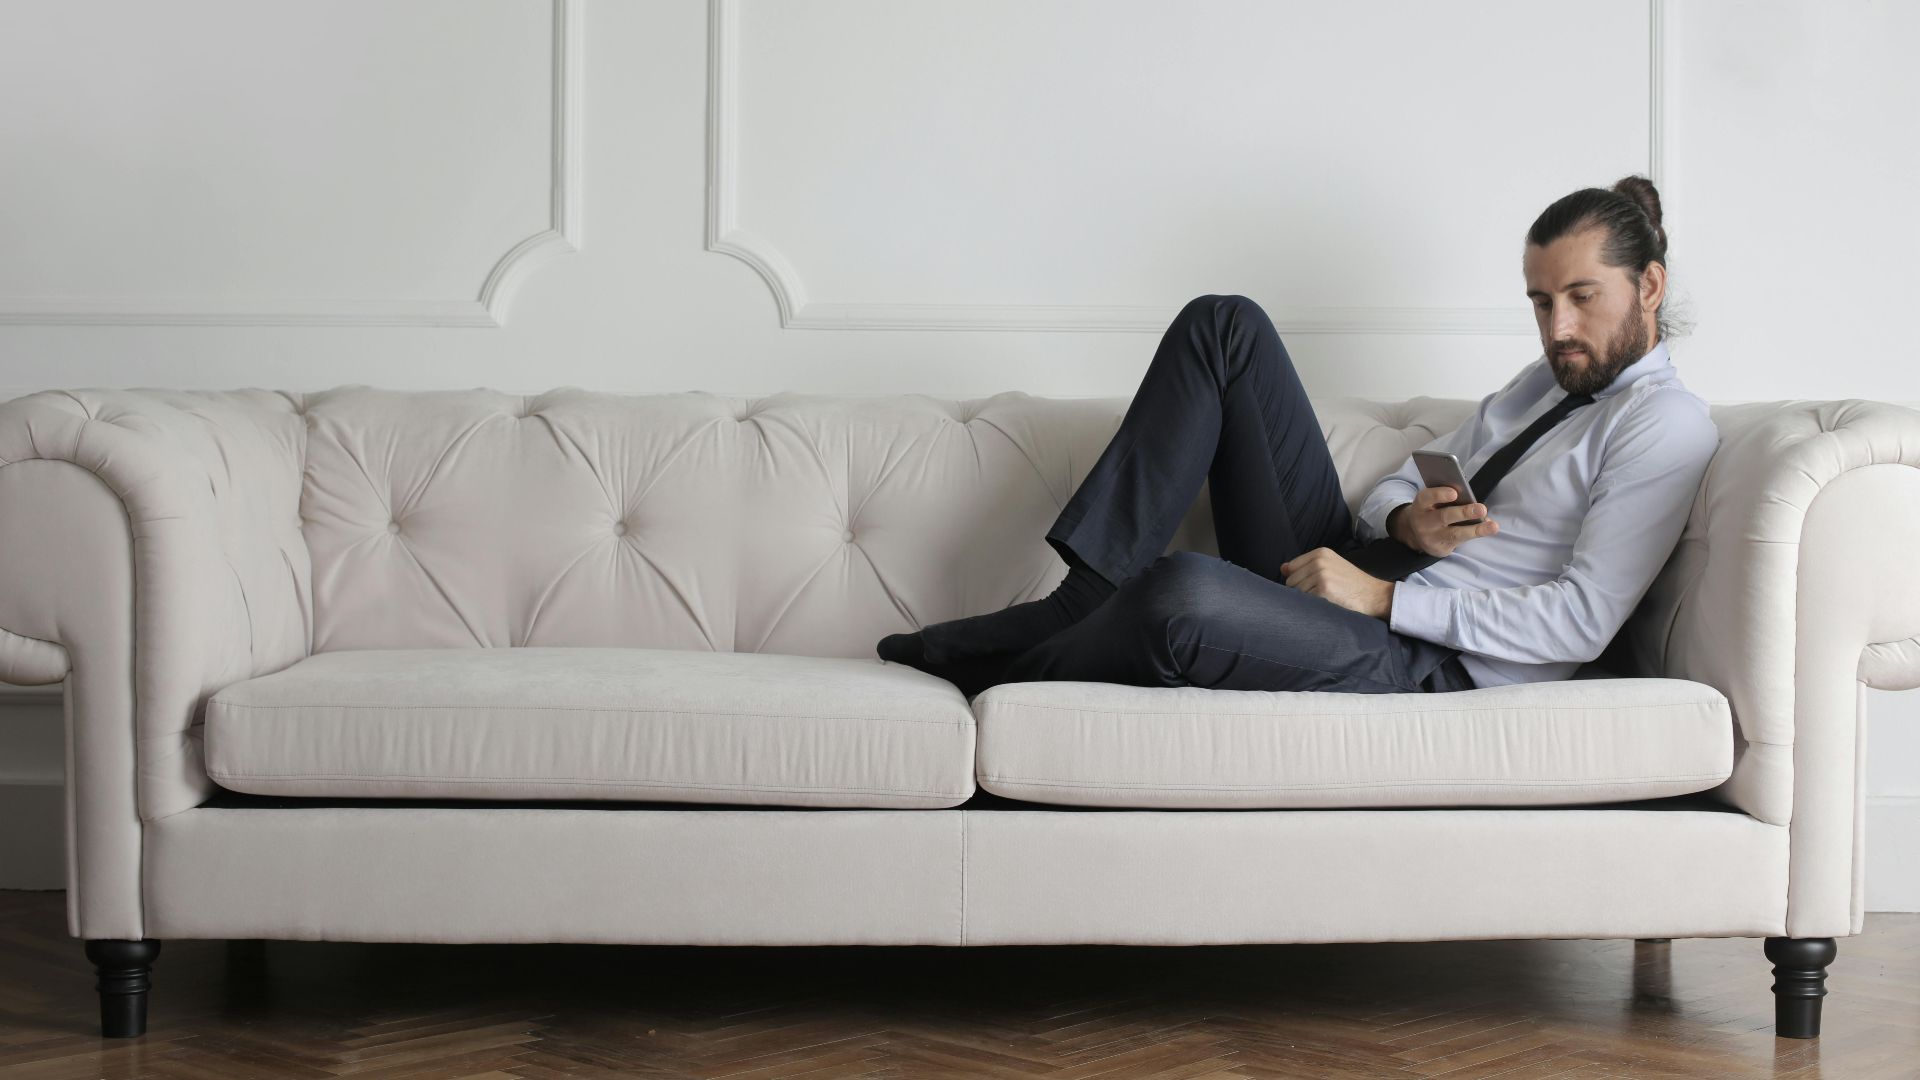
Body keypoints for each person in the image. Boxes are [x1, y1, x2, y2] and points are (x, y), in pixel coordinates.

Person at [876, 175, 1719, 700]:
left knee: (1184, 593)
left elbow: (1579, 623)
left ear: (1649, 285)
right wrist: (1404, 525)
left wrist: (1385, 599)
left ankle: (1010, 667)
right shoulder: (1548, 380)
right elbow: (1395, 484)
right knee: (1224, 327)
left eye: (1580, 297)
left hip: (1424, 652)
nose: (1557, 326)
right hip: (1359, 570)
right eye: (1540, 302)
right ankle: (1088, 590)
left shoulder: (1662, 426)